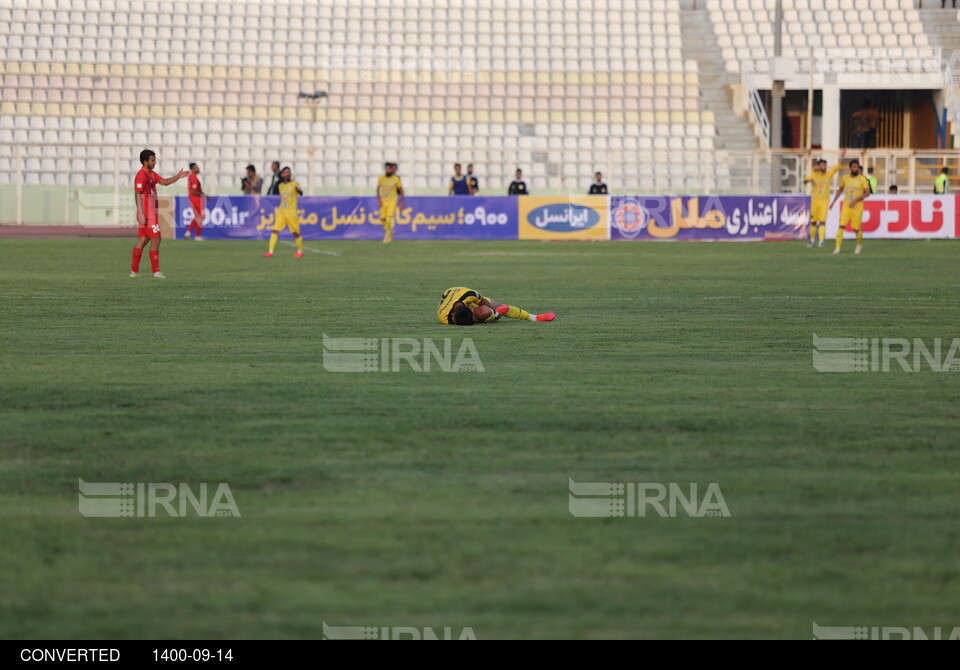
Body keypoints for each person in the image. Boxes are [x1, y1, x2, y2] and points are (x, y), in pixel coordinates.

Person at [130, 149, 189, 278]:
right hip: (147, 214)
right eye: (152, 160)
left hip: (150, 213)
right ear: (145, 162)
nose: (155, 162)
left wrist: (178, 176)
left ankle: (134, 272)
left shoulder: (151, 174)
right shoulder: (141, 175)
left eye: (155, 159)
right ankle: (156, 271)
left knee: (143, 240)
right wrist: (140, 212)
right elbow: (137, 194)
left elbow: (165, 182)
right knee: (156, 239)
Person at [436, 287, 555, 325]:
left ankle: (534, 317)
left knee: (493, 307)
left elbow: (485, 303)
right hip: (456, 303)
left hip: (464, 298)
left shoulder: (469, 294)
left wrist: (496, 315)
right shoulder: (445, 317)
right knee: (484, 313)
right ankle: (534, 318)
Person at [804, 149, 845, 248]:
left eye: (825, 165)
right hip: (814, 202)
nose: (824, 166)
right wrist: (808, 181)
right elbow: (805, 180)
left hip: (824, 202)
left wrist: (842, 156)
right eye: (822, 165)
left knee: (822, 222)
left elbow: (838, 167)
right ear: (818, 166)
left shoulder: (828, 175)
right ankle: (812, 240)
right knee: (813, 222)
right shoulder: (814, 175)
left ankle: (821, 241)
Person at [830, 159, 871, 255]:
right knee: (841, 226)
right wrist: (833, 202)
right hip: (846, 206)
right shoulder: (845, 178)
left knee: (856, 229)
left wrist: (856, 200)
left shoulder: (863, 179)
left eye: (857, 167)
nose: (856, 169)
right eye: (854, 167)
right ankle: (837, 248)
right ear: (850, 168)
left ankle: (859, 245)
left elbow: (868, 193)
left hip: (857, 207)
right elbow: (840, 190)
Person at [263, 166, 304, 258]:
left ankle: (300, 251)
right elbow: (273, 190)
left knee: (295, 233)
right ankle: (270, 251)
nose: (288, 173)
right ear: (282, 174)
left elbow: (301, 192)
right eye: (286, 172)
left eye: (289, 172)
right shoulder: (280, 186)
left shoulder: (294, 184)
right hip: (281, 212)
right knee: (275, 230)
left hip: (291, 213)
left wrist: (299, 191)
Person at [376, 162, 404, 243]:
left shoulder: (395, 179)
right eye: (386, 168)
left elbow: (401, 191)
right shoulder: (381, 178)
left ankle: (387, 237)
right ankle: (390, 231)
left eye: (389, 168)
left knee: (389, 219)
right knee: (382, 219)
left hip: (392, 201)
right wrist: (379, 200)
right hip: (383, 201)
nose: (388, 170)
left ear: (391, 169)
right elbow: (378, 189)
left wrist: (401, 203)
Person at [184, 162, 206, 241]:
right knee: (201, 216)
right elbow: (194, 191)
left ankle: (188, 232)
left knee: (198, 217)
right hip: (196, 199)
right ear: (193, 168)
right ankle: (197, 236)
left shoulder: (192, 177)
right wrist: (203, 194)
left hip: (193, 199)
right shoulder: (193, 177)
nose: (198, 169)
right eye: (197, 167)